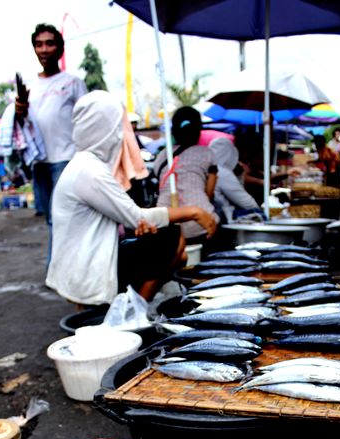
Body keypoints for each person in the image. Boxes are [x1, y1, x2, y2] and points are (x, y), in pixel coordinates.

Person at [46, 91, 216, 307]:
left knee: (178, 254)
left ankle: (131, 305)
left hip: (82, 263)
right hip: (88, 269)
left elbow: (126, 219)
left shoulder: (83, 165)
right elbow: (135, 217)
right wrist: (194, 212)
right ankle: (134, 312)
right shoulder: (90, 172)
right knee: (172, 236)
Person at [15, 23, 87, 261]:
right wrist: (20, 110)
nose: (44, 49)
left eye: (49, 43)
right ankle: (64, 267)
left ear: (60, 48)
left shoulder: (73, 83)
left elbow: (87, 119)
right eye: (39, 44)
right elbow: (24, 125)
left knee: (64, 216)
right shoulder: (30, 87)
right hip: (40, 162)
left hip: (66, 159)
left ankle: (58, 268)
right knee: (51, 218)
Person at [152, 106, 219, 241]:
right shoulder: (207, 153)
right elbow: (209, 193)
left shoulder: (162, 156)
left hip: (166, 222)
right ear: (199, 131)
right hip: (200, 224)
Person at [208, 136, 261, 222]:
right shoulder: (222, 173)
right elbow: (247, 203)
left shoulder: (208, 168)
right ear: (230, 154)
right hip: (223, 219)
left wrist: (239, 175)